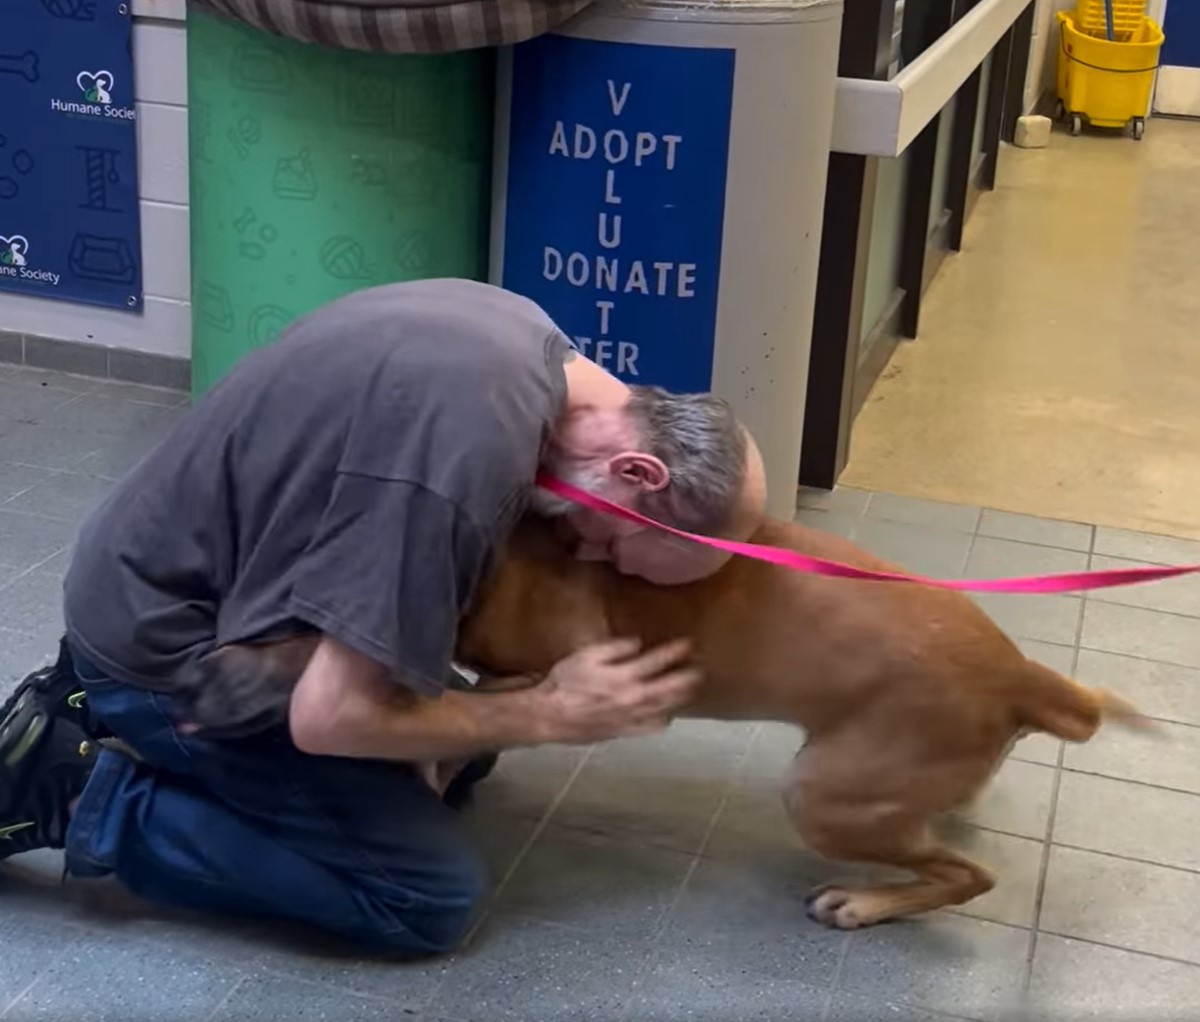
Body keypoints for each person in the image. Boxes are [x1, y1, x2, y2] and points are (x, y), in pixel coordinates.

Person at [0, 278, 766, 955]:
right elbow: (330, 719)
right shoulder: (458, 468)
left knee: (460, 747)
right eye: (616, 543)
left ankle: (93, 704)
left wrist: (461, 722)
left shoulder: (521, 334)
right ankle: (70, 790)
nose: (593, 556)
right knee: (423, 898)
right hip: (174, 651)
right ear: (636, 470)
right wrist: (551, 713)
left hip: (164, 577)